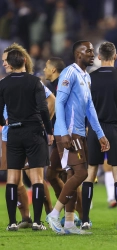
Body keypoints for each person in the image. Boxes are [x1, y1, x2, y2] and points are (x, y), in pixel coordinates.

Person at [47, 40, 110, 235]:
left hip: (80, 132)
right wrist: (64, 131)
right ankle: (54, 214)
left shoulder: (86, 77)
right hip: (69, 132)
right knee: (81, 174)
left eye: (93, 51)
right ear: (78, 55)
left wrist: (100, 134)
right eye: (88, 51)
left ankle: (69, 224)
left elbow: (90, 108)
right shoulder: (69, 73)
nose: (92, 54)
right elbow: (59, 103)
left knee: (71, 175)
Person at [1, 43, 55, 229]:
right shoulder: (35, 82)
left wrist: (4, 122)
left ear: (9, 63)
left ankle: (11, 222)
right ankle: (38, 222)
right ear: (24, 60)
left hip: (13, 132)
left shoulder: (3, 83)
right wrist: (48, 131)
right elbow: (42, 108)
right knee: (37, 179)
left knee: (12, 180)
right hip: (33, 132)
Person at [81, 41, 117, 230]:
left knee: (90, 173)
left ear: (99, 57)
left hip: (94, 129)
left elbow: (83, 107)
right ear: (115, 56)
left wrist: (86, 127)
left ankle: (85, 219)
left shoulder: (89, 77)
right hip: (116, 128)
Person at [44, 57, 83, 226]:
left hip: (67, 136)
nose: (44, 69)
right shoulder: (55, 85)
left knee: (72, 175)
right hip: (60, 135)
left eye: (46, 67)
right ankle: (72, 211)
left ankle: (81, 216)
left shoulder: (63, 83)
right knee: (52, 175)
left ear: (53, 69)